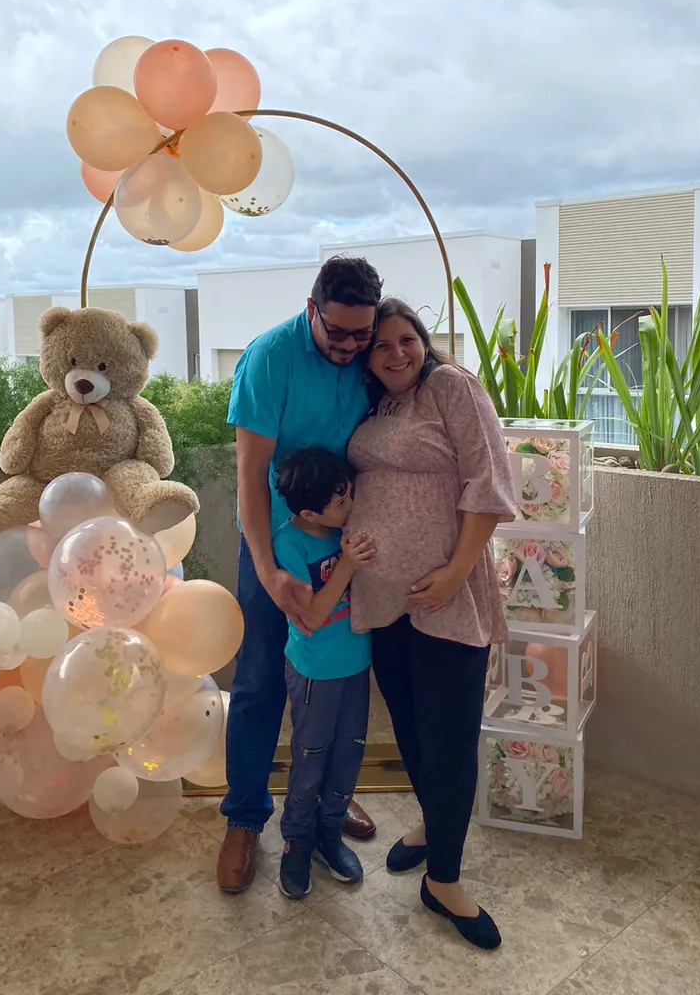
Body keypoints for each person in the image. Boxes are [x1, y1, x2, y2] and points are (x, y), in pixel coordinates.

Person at [347, 298, 517, 951]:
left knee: (448, 737)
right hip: (383, 601)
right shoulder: (375, 407)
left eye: (406, 339)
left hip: (447, 596)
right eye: (381, 345)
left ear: (424, 341)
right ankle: (431, 824)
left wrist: (454, 572)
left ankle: (443, 880)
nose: (396, 353)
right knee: (412, 729)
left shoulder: (450, 387)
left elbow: (488, 485)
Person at [217, 256, 383, 894]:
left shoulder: (367, 351)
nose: (349, 346)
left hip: (344, 539)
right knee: (261, 677)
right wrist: (266, 570)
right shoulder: (270, 357)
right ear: (311, 309)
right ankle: (245, 815)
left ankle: (323, 801)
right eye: (336, 332)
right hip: (278, 542)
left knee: (337, 679)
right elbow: (249, 476)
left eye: (361, 334)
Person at [272, 448, 375, 899]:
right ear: (310, 513)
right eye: (341, 502)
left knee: (349, 755)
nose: (351, 506)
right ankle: (297, 841)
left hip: (357, 664)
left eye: (350, 495)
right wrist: (347, 564)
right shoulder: (289, 543)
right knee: (311, 757)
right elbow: (311, 616)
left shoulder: (344, 528)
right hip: (315, 672)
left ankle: (329, 835)